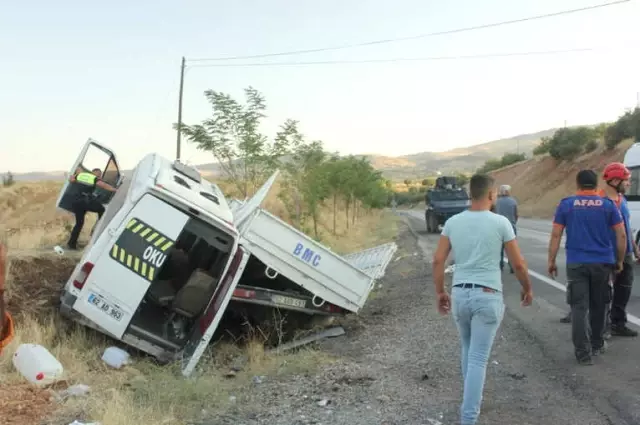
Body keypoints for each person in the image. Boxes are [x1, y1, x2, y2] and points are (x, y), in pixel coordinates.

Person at [433, 173, 533, 425]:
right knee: (478, 357)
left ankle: (469, 400)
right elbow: (518, 264)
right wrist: (526, 288)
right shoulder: (500, 223)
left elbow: (438, 260)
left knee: (468, 348)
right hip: (487, 295)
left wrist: (440, 291)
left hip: (460, 293)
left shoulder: (453, 222)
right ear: (491, 194)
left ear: (470, 194)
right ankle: (468, 417)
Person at [548, 169, 626, 365]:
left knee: (578, 308)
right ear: (596, 184)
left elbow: (556, 234)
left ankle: (583, 353)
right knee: (600, 305)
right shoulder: (608, 205)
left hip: (577, 263)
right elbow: (621, 235)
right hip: (602, 263)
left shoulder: (566, 204)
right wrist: (620, 260)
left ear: (578, 184)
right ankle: (597, 344)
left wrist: (551, 260)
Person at [600, 162, 639, 337]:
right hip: (609, 253)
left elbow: (626, 227)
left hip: (627, 251)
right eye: (626, 180)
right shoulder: (600, 201)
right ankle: (602, 326)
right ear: (615, 181)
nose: (629, 183)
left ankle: (618, 322)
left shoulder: (621, 200)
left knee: (624, 289)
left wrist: (635, 247)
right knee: (604, 291)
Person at [67, 168, 116, 250]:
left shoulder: (81, 175)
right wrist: (115, 189)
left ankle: (71, 244)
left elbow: (71, 179)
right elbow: (103, 185)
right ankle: (98, 229)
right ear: (96, 174)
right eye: (99, 175)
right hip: (84, 202)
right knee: (102, 210)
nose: (100, 177)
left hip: (76, 202)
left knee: (79, 224)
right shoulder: (94, 178)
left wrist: (76, 178)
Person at [495, 184, 518, 273]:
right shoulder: (513, 201)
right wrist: (513, 223)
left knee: (499, 248)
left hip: (498, 228)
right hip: (511, 227)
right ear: (508, 192)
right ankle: (512, 267)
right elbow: (516, 215)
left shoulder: (497, 202)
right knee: (511, 249)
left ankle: (500, 265)